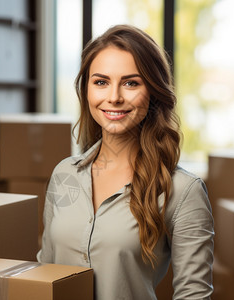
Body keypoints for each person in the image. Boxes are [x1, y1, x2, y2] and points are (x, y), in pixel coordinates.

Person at [37, 24, 214, 300]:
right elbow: (43, 271)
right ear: (87, 91)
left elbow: (194, 295)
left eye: (131, 83)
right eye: (101, 82)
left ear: (153, 92)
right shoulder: (64, 174)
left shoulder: (182, 191)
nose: (114, 97)